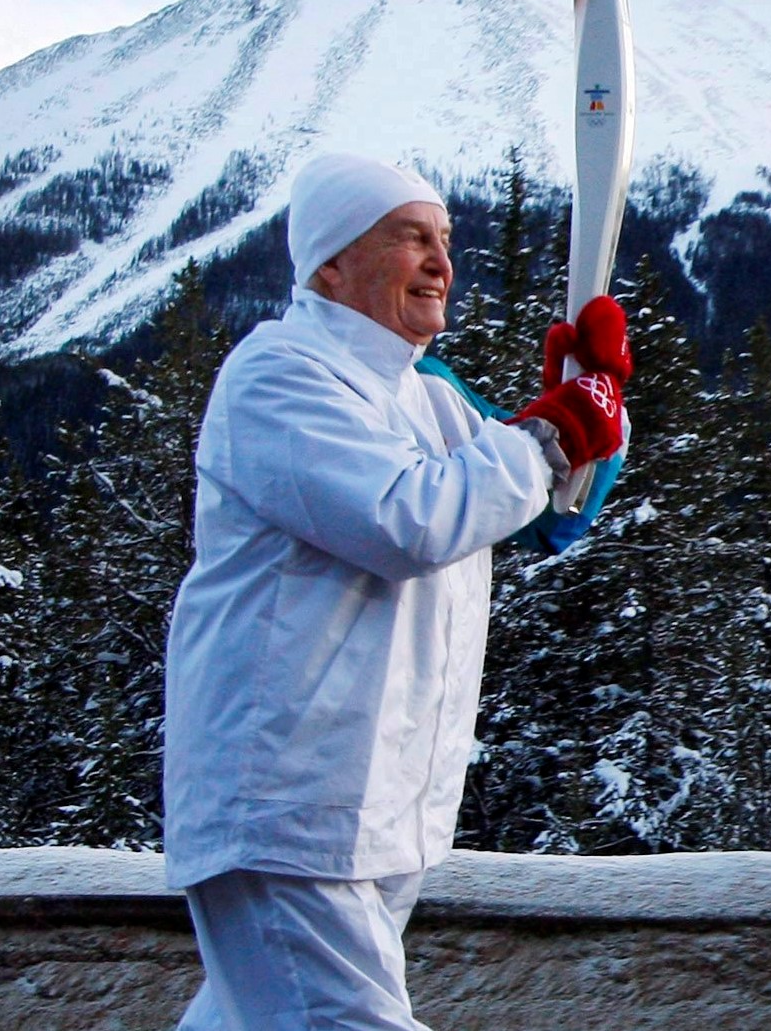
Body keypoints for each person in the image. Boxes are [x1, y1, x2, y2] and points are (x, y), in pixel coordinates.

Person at [160, 153, 628, 1030]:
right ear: (331, 261)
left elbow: (547, 511)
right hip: (286, 805)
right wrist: (550, 434)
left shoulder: (427, 399)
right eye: (411, 237)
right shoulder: (280, 377)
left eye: (445, 238)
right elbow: (408, 519)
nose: (442, 261)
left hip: (381, 810)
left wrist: (593, 407)